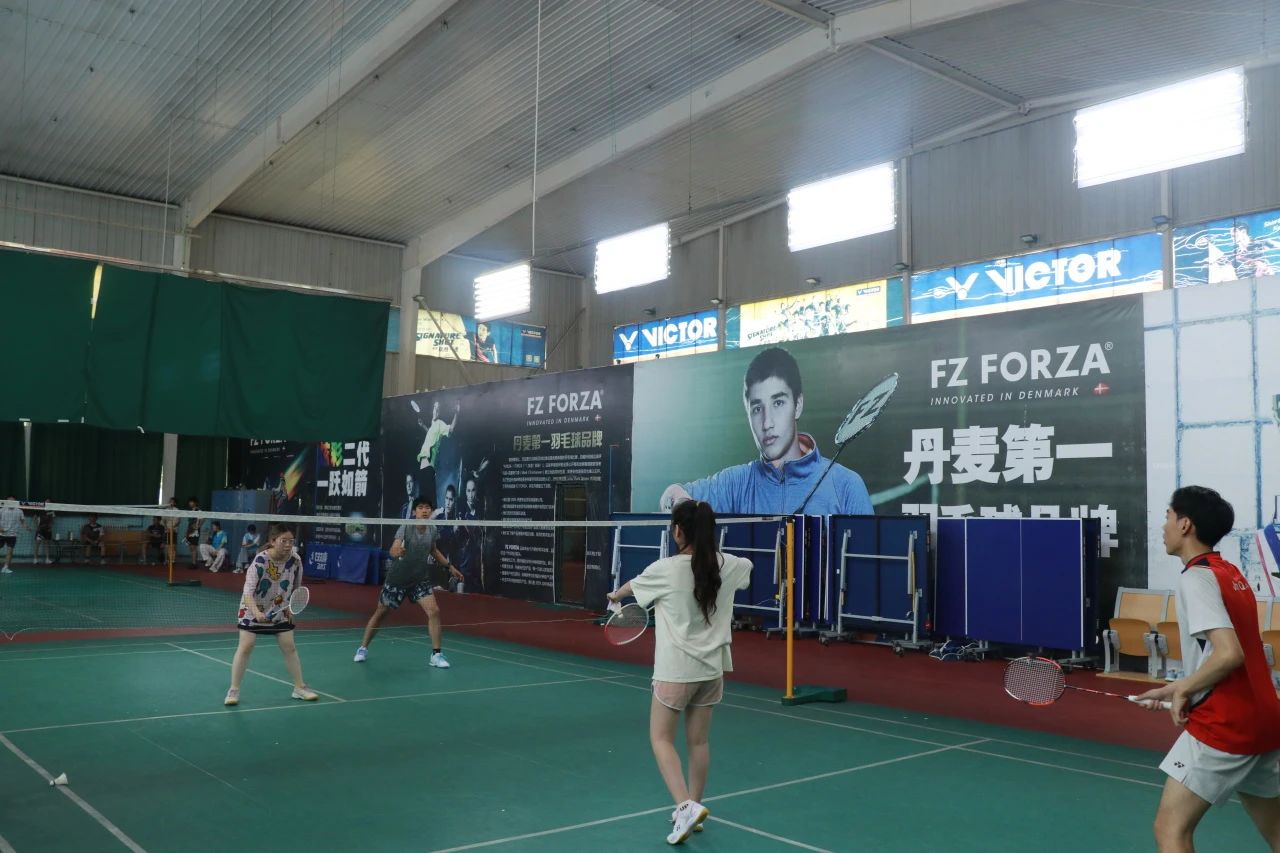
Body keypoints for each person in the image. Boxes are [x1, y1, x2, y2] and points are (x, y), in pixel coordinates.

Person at [1135, 486, 1280, 852]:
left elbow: (1229, 654)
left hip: (1224, 724)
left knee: (1171, 830)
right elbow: (1225, 656)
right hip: (1265, 718)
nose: (1164, 526)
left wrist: (1185, 689)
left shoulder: (1195, 578)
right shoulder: (1229, 573)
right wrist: (1178, 688)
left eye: (1168, 517)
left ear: (1185, 525)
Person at [606, 500, 753, 845]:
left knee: (660, 739)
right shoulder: (728, 564)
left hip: (675, 672)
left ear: (678, 531)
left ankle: (685, 807)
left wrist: (614, 595)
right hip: (711, 672)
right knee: (699, 741)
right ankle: (694, 809)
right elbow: (748, 567)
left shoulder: (665, 569)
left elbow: (630, 587)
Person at [659, 347, 873, 516]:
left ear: (798, 405)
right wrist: (679, 503)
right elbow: (672, 493)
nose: (767, 423)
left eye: (778, 403)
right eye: (757, 409)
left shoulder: (847, 485)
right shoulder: (736, 483)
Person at [353, 497, 462, 668]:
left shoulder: (432, 529)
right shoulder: (406, 527)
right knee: (381, 612)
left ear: (431, 511)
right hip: (398, 579)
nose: (424, 511)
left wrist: (450, 567)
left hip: (419, 579)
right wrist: (397, 551)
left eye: (427, 508)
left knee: (434, 611)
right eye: (421, 508)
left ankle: (436, 655)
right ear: (414, 511)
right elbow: (393, 549)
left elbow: (434, 550)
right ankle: (363, 648)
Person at [225, 523, 318, 706]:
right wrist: (257, 612)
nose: (288, 545)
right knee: (246, 646)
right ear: (273, 541)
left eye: (291, 541)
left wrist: (290, 607)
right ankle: (234, 690)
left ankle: (299, 688)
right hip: (252, 608)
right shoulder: (260, 561)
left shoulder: (295, 560)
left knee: (289, 646)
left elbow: (296, 587)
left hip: (280, 608)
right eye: (284, 541)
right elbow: (247, 592)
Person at [415, 400, 458, 510]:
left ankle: (437, 516)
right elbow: (430, 435)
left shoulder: (440, 424)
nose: (436, 410)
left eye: (438, 409)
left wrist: (456, 413)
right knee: (423, 504)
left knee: (429, 505)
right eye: (435, 407)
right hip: (422, 468)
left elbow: (451, 429)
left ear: (440, 412)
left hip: (428, 468)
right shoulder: (433, 425)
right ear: (433, 410)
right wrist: (423, 426)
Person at [0, 497, 26, 573]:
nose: (11, 502)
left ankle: (5, 567)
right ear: (6, 502)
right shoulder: (1, 510)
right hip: (1, 534)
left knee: (10, 551)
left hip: (12, 535)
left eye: (13, 501)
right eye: (9, 500)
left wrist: (26, 527)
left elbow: (22, 521)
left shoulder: (19, 511)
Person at [184, 498, 205, 570]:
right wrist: (186, 532)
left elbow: (203, 519)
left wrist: (198, 526)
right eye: (189, 502)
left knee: (193, 547)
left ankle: (194, 563)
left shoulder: (199, 511)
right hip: (189, 531)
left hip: (195, 532)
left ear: (195, 503)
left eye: (191, 502)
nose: (190, 503)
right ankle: (193, 562)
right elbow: (189, 523)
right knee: (191, 547)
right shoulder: (191, 511)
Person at [33, 502, 55, 566]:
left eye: (49, 502)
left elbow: (53, 520)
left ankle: (47, 559)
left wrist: (50, 527)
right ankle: (35, 559)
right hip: (40, 531)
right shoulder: (40, 510)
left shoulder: (52, 511)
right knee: (37, 544)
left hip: (47, 531)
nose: (48, 503)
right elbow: (34, 518)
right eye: (46, 502)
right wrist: (37, 526)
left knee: (47, 544)